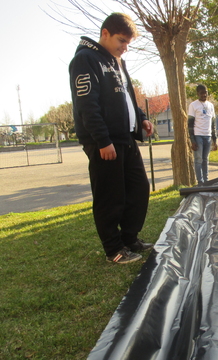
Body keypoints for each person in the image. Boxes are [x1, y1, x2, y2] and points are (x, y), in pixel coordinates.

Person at [69, 13, 154, 264]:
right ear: (105, 33)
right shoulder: (85, 59)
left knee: (139, 189)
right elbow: (87, 105)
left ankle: (130, 239)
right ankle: (113, 249)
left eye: (128, 43)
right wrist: (103, 140)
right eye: (121, 41)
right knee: (110, 196)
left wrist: (141, 117)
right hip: (104, 141)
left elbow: (127, 96)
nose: (125, 48)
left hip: (126, 137)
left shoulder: (117, 60)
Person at [188, 84, 218, 184]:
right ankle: (200, 182)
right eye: (202, 93)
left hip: (208, 136)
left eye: (205, 92)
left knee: (206, 159)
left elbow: (213, 124)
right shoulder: (193, 105)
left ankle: (206, 180)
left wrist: (215, 140)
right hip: (198, 135)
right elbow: (190, 124)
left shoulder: (211, 106)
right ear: (198, 94)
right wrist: (192, 140)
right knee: (198, 159)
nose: (204, 95)